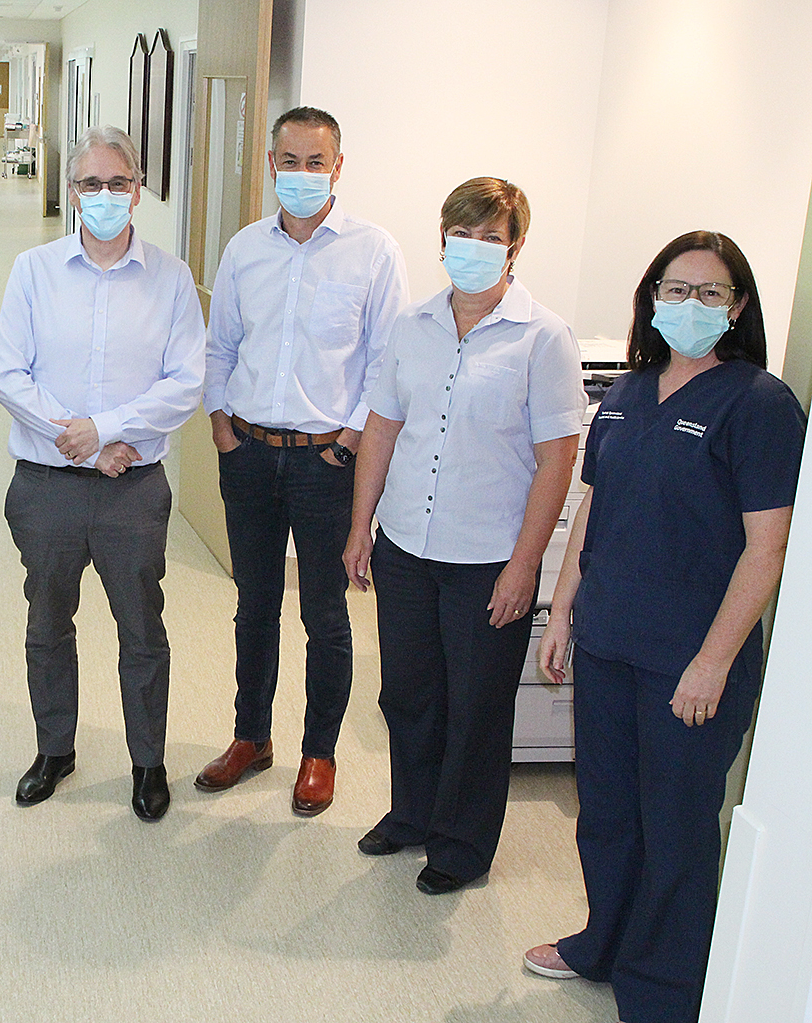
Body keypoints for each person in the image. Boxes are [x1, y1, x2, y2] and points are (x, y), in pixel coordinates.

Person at [523, 232, 805, 1023]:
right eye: (674, 289)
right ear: (650, 298)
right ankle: (600, 943)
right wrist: (564, 611)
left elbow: (766, 546)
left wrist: (713, 662)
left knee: (675, 823)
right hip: (609, 642)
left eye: (710, 293)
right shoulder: (625, 392)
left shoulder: (757, 404)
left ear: (738, 306)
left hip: (687, 659)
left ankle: (663, 990)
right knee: (608, 810)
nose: (689, 305)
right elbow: (592, 507)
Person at [342, 177, 585, 894]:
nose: (473, 248)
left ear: (514, 248)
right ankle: (412, 813)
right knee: (409, 693)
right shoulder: (411, 325)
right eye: (461, 233)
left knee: (476, 705)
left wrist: (523, 566)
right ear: (440, 237)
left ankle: (462, 840)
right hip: (407, 545)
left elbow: (556, 460)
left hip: (487, 558)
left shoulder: (543, 337)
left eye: (490, 236)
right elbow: (383, 427)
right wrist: (361, 524)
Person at [199, 106, 408, 814]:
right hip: (250, 455)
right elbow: (219, 345)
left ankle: (317, 752)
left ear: (338, 168)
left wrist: (349, 441)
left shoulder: (373, 252)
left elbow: (386, 361)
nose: (301, 174)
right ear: (269, 164)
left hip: (329, 462)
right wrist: (223, 429)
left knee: (324, 613)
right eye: (288, 161)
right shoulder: (243, 249)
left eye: (315, 162)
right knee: (253, 607)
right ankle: (249, 737)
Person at [0, 125, 205, 822]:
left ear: (138, 191)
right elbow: (9, 376)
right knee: (47, 623)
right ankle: (54, 748)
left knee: (141, 629)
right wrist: (81, 440)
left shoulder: (170, 279)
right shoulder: (33, 270)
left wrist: (106, 431)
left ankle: (147, 761)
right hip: (45, 489)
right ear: (73, 192)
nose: (105, 195)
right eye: (91, 183)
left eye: (118, 182)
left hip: (133, 491)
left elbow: (184, 384)